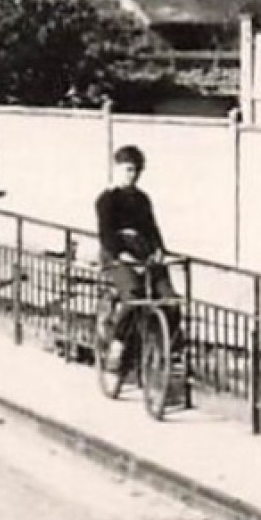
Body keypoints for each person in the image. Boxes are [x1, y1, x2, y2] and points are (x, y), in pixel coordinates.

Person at [95, 144, 180, 372]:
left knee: (170, 300)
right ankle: (117, 345)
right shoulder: (107, 199)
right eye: (128, 169)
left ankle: (162, 350)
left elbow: (152, 228)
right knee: (134, 295)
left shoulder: (142, 199)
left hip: (143, 252)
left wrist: (160, 250)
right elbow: (106, 233)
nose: (132, 176)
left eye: (136, 171)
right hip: (117, 254)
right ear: (117, 169)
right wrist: (121, 255)